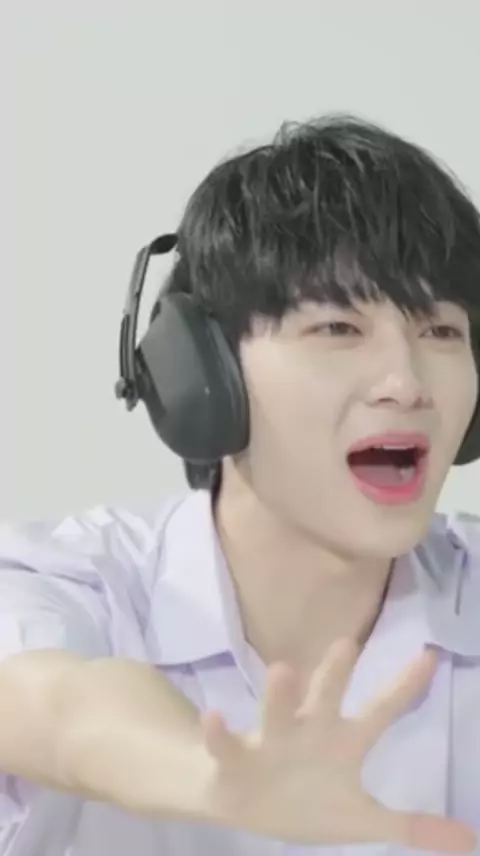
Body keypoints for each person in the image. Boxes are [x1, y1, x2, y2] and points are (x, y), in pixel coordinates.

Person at [1, 114, 480, 856]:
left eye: (441, 332)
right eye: (337, 329)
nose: (406, 382)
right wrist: (214, 776)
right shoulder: (72, 580)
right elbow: (52, 707)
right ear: (203, 374)